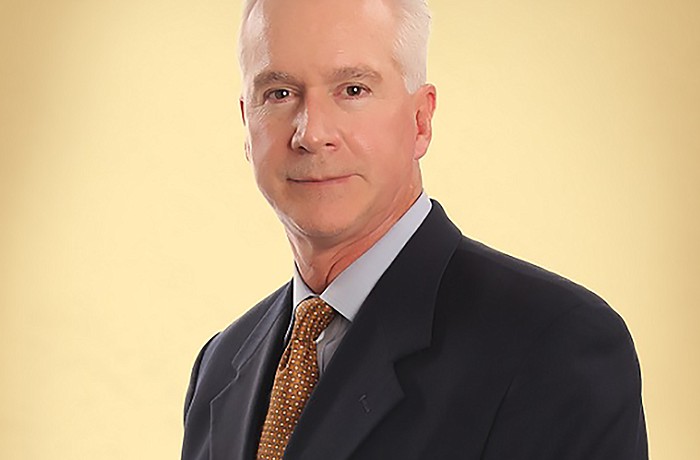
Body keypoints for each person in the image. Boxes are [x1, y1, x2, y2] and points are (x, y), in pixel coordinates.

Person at [181, 0, 648, 458]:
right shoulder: (219, 369)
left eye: (352, 90)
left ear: (421, 120)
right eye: (279, 94)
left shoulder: (553, 344)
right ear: (246, 124)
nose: (312, 133)